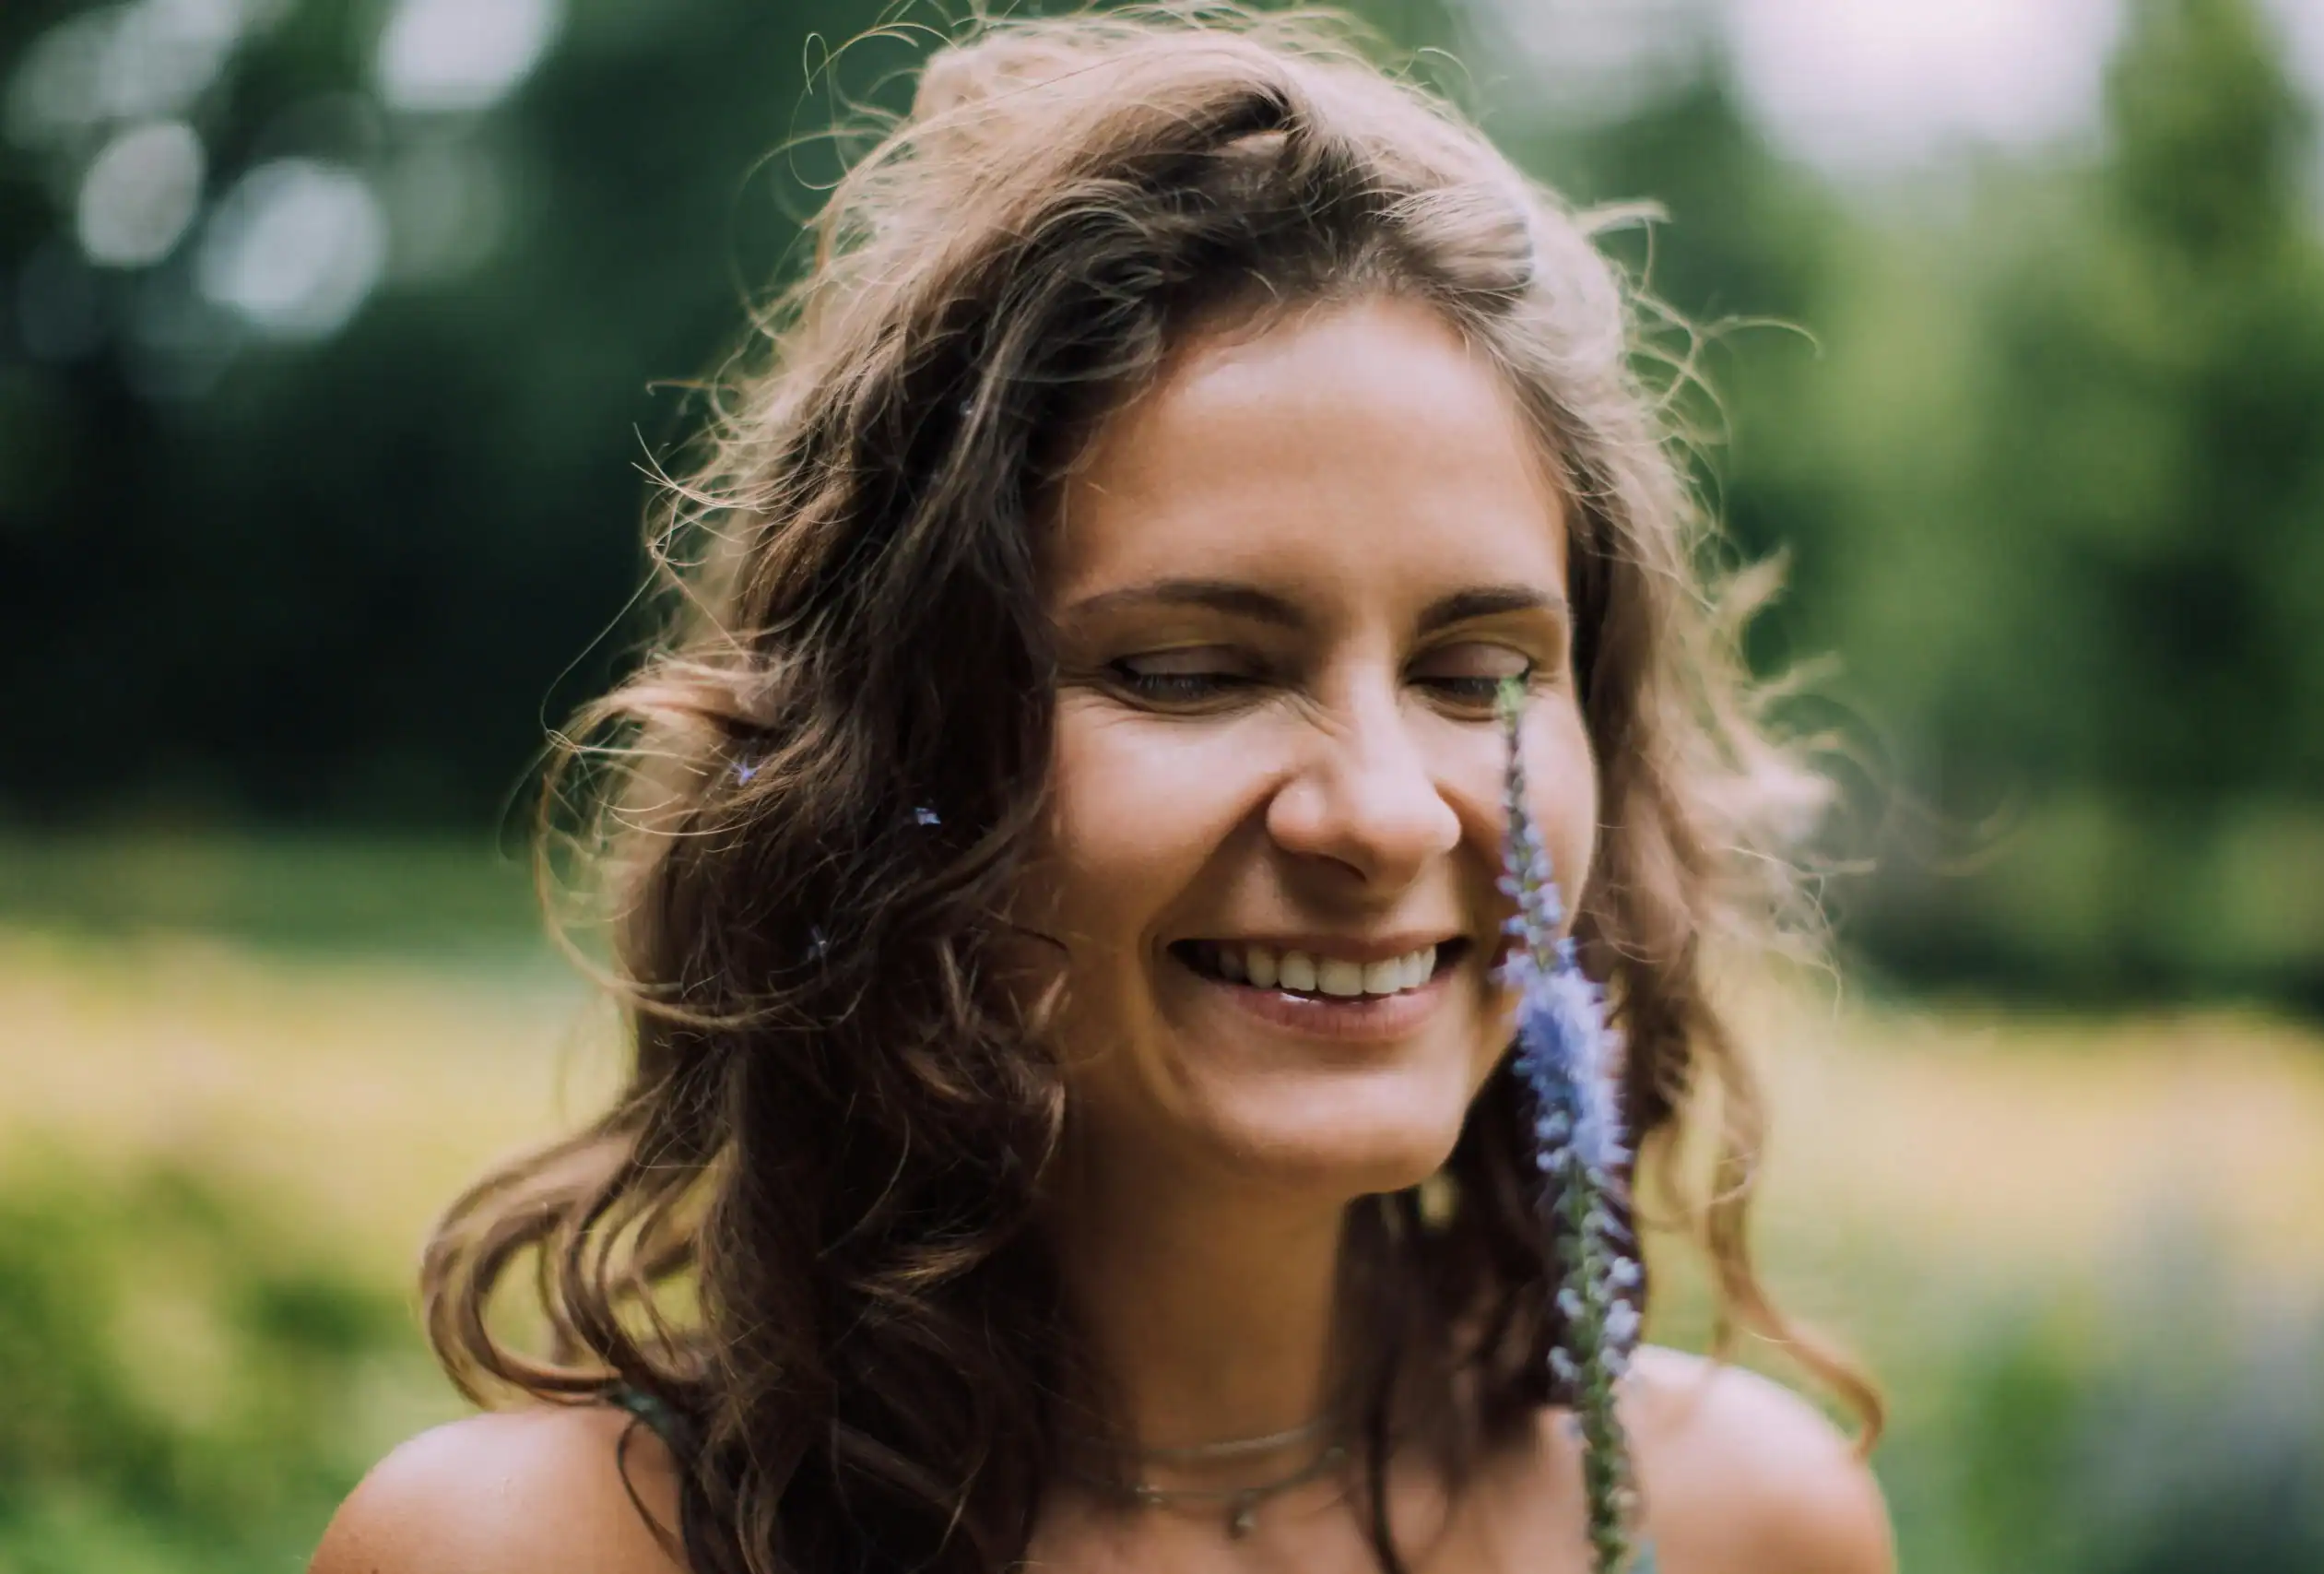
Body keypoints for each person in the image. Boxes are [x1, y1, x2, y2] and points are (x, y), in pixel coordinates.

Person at [310, 7, 1894, 1572]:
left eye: (1477, 677)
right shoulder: (532, 1551)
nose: (1390, 812)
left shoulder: (1751, 1527)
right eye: (1189, 670)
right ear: (887, 747)